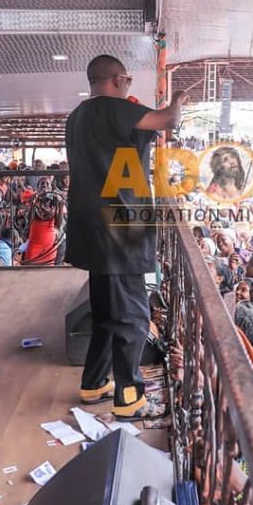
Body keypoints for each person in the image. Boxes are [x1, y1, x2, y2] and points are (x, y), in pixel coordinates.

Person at [66, 54, 187, 420]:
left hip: (91, 227)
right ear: (118, 79)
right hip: (121, 228)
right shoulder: (114, 109)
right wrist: (178, 99)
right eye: (128, 80)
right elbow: (168, 120)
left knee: (105, 310)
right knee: (132, 315)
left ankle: (94, 382)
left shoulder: (77, 117)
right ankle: (129, 396)